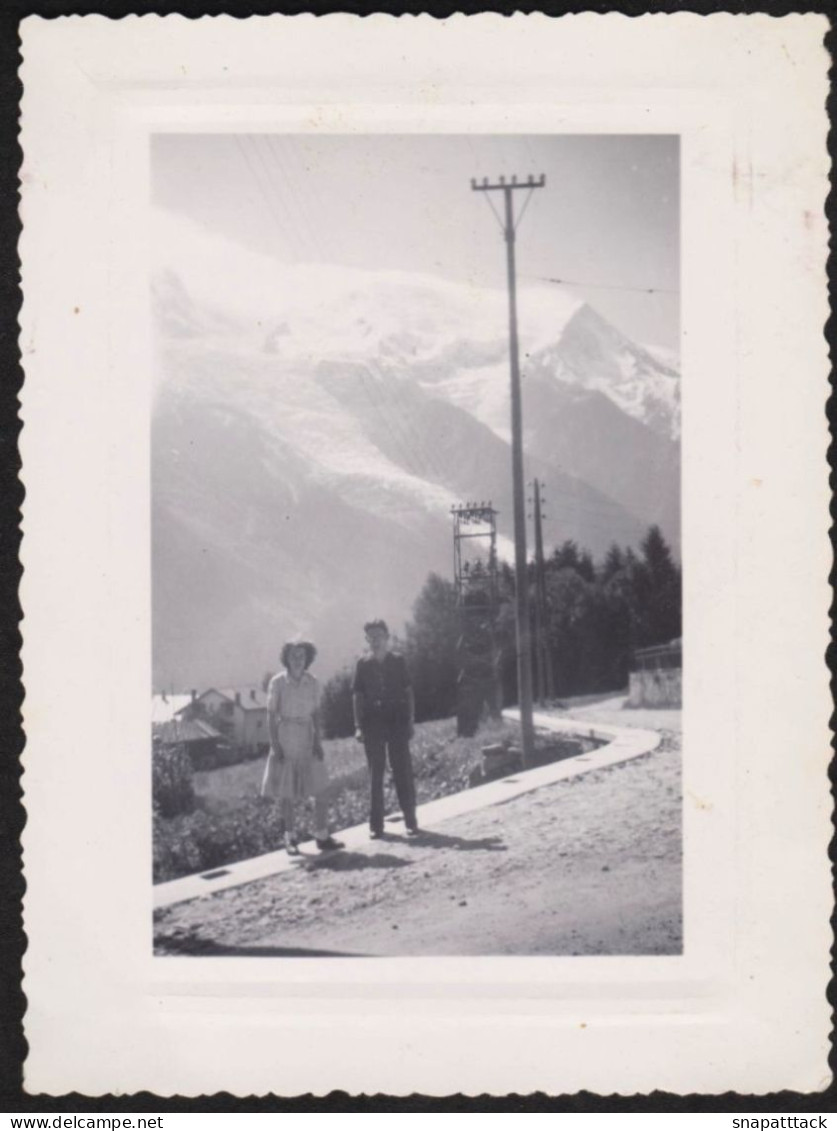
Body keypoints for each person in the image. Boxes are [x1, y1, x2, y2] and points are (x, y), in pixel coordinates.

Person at [261, 640, 343, 854]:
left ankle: (322, 835)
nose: (298, 660)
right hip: (286, 737)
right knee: (286, 793)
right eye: (294, 656)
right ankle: (290, 838)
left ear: (308, 659)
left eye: (302, 656)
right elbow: (270, 715)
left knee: (321, 788)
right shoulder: (277, 683)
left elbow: (316, 714)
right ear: (286, 658)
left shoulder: (312, 682)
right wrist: (275, 745)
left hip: (307, 737)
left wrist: (318, 741)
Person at [352, 619, 419, 839]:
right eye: (371, 637)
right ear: (367, 640)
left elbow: (409, 692)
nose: (375, 640)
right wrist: (358, 727)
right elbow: (357, 697)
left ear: (387, 637)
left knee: (403, 771)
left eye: (379, 635)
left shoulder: (398, 661)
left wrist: (410, 721)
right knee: (376, 775)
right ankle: (376, 826)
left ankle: (411, 821)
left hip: (397, 721)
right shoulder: (362, 664)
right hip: (373, 724)